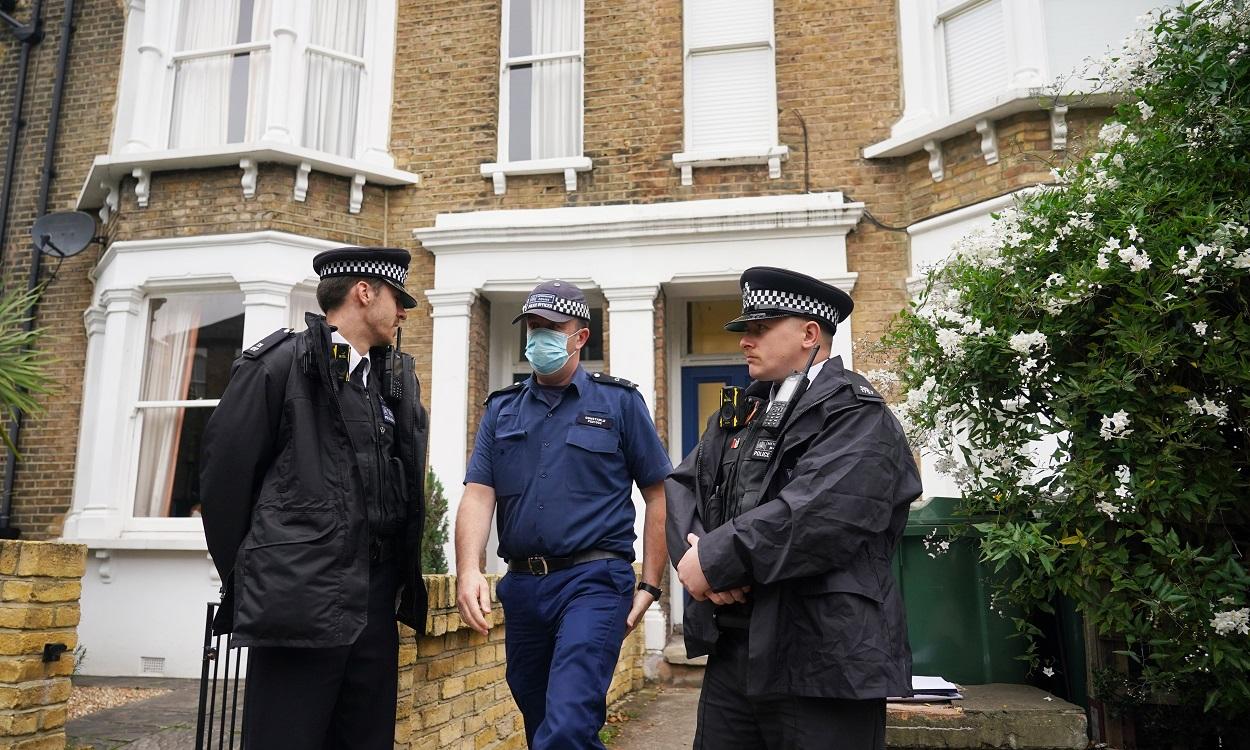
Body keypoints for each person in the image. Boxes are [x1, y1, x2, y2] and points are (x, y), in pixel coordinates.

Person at [667, 266, 921, 749]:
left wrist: (716, 560)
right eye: (745, 330)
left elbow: (821, 512)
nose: (746, 341)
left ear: (809, 334)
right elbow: (684, 487)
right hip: (737, 648)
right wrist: (696, 562)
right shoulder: (739, 413)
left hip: (823, 654)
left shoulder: (857, 413)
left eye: (760, 329)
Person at [200, 246, 429, 749]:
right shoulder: (277, 366)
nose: (405, 311)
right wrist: (269, 576)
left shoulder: (392, 382)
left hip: (373, 602)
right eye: (398, 298)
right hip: (300, 603)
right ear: (364, 293)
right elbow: (224, 485)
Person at [455, 280, 671, 749]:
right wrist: (468, 569)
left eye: (553, 327)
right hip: (524, 587)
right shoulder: (501, 409)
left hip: (594, 580)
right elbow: (477, 494)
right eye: (533, 326)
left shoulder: (619, 403)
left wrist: (651, 584)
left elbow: (659, 492)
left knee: (569, 722)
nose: (540, 337)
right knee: (542, 722)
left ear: (581, 337)